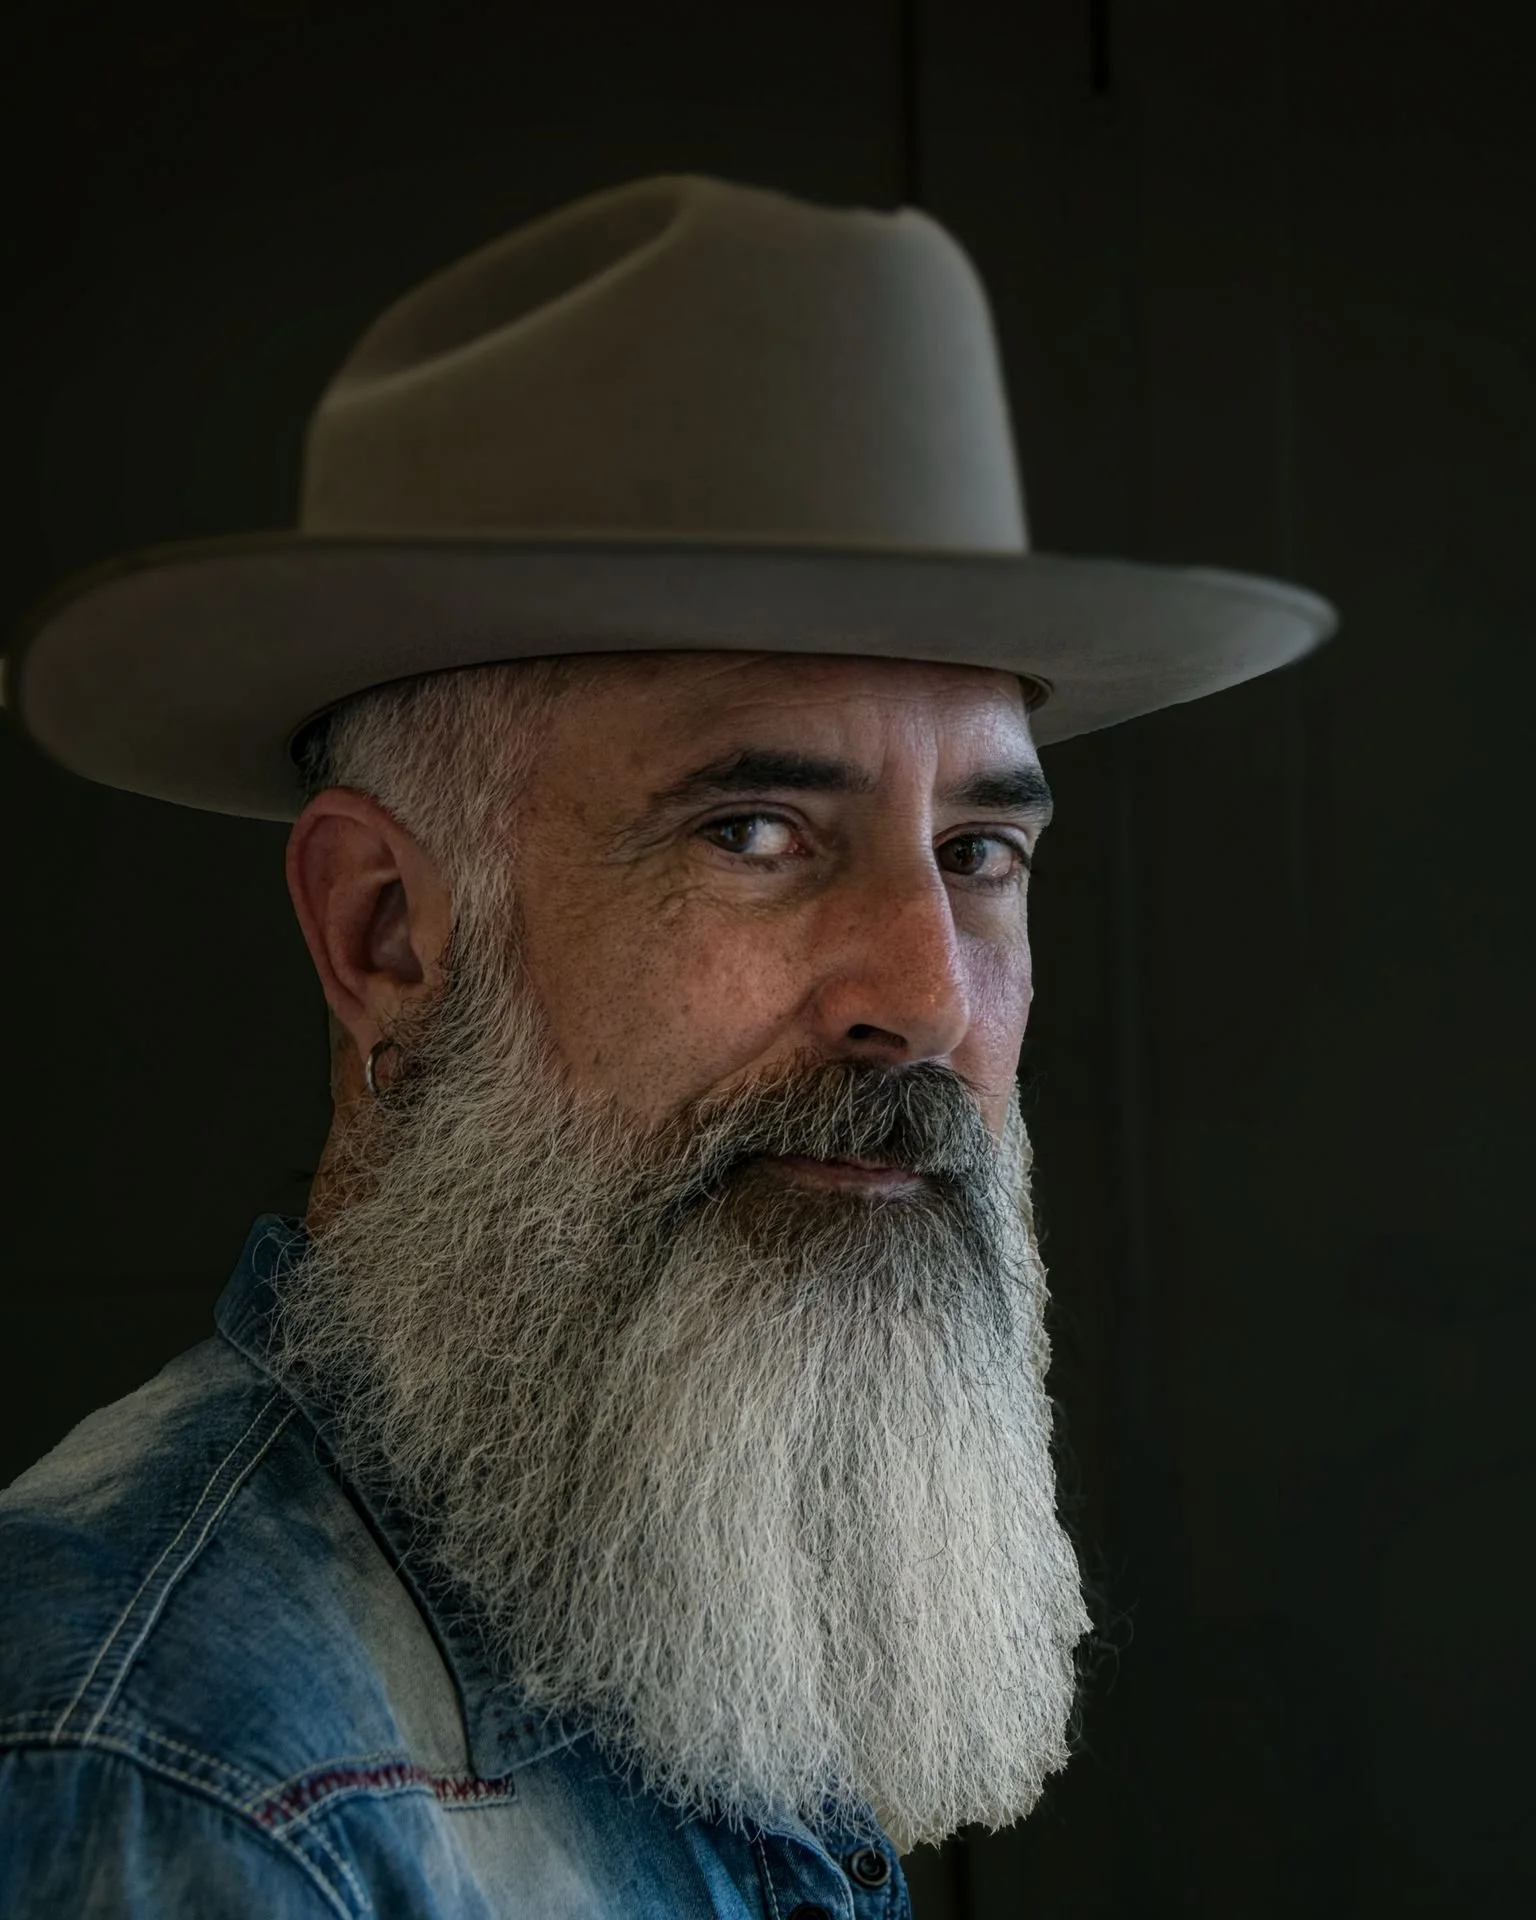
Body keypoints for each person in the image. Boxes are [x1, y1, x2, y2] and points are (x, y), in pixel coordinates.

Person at [0, 174, 1334, 1917]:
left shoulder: (681, 1610)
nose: (928, 998)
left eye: (978, 852)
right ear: (384, 933)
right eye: (755, 832)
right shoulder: (188, 1787)